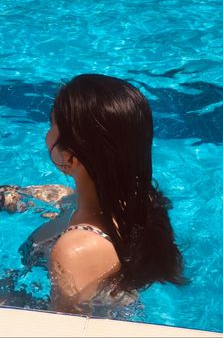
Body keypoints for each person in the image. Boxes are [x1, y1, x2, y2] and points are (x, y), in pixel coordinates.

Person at [0, 74, 186, 315]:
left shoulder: (73, 252)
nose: (47, 133)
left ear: (71, 157)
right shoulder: (135, 202)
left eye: (51, 124)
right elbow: (62, 198)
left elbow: (61, 328)